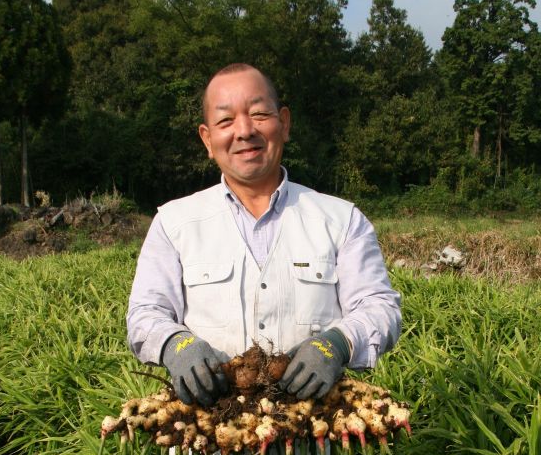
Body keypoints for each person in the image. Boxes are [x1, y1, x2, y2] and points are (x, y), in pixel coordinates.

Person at [126, 62, 401, 406]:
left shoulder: (341, 219)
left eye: (258, 114)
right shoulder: (174, 223)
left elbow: (379, 306)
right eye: (225, 121)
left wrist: (339, 342)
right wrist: (175, 345)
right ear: (207, 139)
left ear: (284, 123)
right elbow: (145, 313)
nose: (244, 131)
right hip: (209, 443)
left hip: (310, 440)